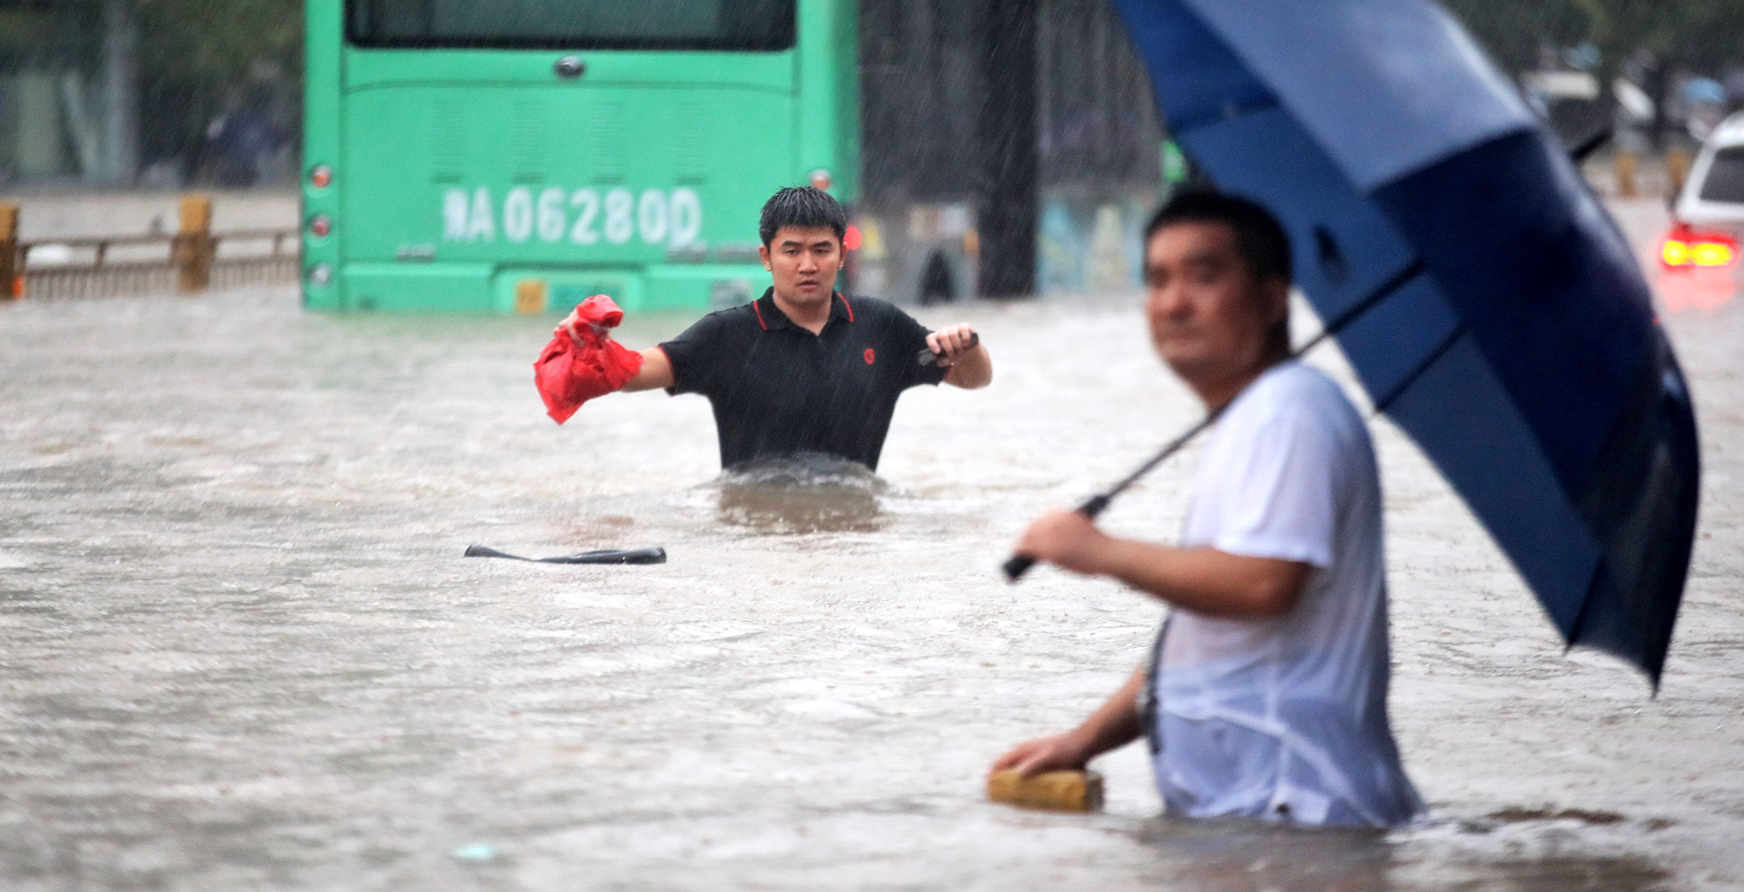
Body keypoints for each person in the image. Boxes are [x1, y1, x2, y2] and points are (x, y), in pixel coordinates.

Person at [991, 188, 1421, 828]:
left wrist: (1099, 553)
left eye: (1203, 276)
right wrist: (1083, 741)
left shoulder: (1288, 413)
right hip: (1247, 824)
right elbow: (1205, 643)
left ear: (1273, 298)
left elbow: (1262, 584)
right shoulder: (1251, 419)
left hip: (1298, 824)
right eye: (1158, 279)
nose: (1173, 303)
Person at [544, 186, 991, 471]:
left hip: (856, 538)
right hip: (755, 538)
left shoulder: (880, 326)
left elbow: (973, 379)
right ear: (765, 257)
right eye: (791, 250)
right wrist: (587, 344)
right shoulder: (727, 336)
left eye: (821, 250)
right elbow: (637, 371)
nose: (807, 265)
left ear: (842, 254)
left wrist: (968, 346)